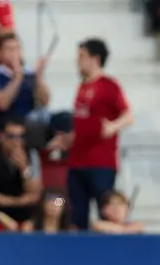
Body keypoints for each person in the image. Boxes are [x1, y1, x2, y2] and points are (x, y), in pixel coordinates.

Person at [48, 38, 133, 230]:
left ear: (95, 59)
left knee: (106, 212)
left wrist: (112, 126)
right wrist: (67, 140)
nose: (77, 61)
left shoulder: (109, 86)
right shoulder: (82, 87)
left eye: (82, 56)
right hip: (77, 160)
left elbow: (128, 116)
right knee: (77, 213)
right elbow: (83, 124)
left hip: (101, 161)